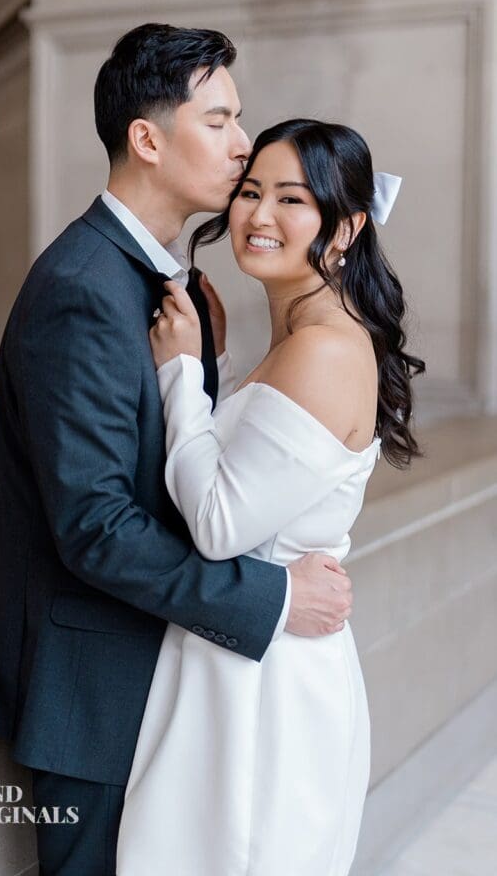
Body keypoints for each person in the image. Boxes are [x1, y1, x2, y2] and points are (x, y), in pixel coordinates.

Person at [0, 26, 356, 876]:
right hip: (93, 684)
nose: (242, 144)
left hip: (166, 669)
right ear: (146, 138)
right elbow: (95, 525)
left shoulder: (168, 286)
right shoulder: (83, 288)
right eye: (218, 120)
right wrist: (274, 598)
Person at [116, 119, 425, 875]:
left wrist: (180, 373)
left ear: (345, 227)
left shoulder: (324, 348)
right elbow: (250, 470)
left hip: (266, 687)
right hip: (237, 658)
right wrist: (219, 360)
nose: (258, 215)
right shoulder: (302, 336)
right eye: (250, 191)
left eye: (291, 199)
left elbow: (219, 523)